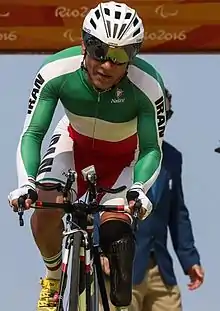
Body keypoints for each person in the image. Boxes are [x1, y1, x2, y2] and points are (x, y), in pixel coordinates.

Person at [8, 1, 167, 310]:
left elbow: (151, 149)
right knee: (45, 209)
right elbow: (32, 135)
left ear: (132, 57)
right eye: (99, 51)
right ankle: (54, 277)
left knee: (119, 257)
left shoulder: (148, 87)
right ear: (83, 43)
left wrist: (139, 190)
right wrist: (26, 183)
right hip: (73, 145)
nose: (107, 65)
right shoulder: (55, 71)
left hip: (124, 158)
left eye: (119, 56)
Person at [99, 88, 205, 311]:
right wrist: (101, 249)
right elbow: (97, 202)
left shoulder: (173, 158)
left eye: (165, 116)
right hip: (122, 266)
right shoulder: (116, 152)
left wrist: (190, 259)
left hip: (160, 269)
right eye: (155, 115)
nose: (160, 122)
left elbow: (177, 212)